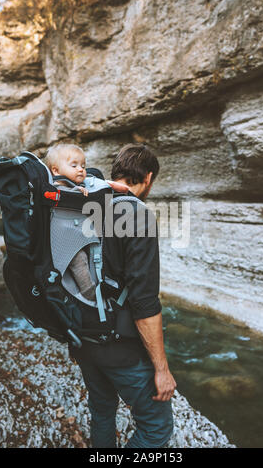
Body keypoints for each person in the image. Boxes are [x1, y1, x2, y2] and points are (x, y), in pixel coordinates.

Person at [69, 143, 176, 448]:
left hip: (82, 338)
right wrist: (162, 370)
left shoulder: (87, 205)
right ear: (149, 178)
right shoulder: (138, 215)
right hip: (120, 349)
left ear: (116, 174)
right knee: (156, 429)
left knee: (102, 411)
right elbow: (144, 303)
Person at [43, 143, 128, 302]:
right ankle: (89, 292)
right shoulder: (55, 186)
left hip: (75, 232)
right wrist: (77, 190)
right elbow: (57, 191)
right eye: (74, 165)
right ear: (55, 170)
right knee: (79, 261)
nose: (81, 169)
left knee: (90, 256)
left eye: (83, 165)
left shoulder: (79, 183)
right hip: (64, 239)